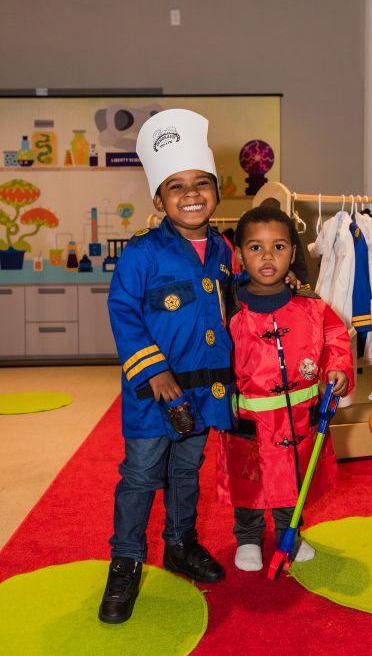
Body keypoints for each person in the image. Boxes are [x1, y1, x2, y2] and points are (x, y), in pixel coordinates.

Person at [98, 108, 237, 624]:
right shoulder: (142, 254)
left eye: (201, 183)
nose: (191, 194)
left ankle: (179, 543)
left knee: (187, 470)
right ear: (158, 199)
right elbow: (123, 313)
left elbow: (232, 307)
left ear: (217, 190)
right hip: (154, 394)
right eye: (176, 187)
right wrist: (154, 372)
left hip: (205, 392)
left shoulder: (225, 249)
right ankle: (126, 561)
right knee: (140, 476)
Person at [217, 206, 354, 571]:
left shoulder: (311, 307)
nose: (267, 257)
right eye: (255, 248)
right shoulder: (227, 310)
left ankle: (287, 532)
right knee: (249, 482)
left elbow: (336, 340)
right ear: (240, 253)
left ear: (293, 253)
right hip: (248, 419)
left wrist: (338, 368)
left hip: (296, 419)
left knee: (293, 477)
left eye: (278, 247)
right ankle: (247, 536)